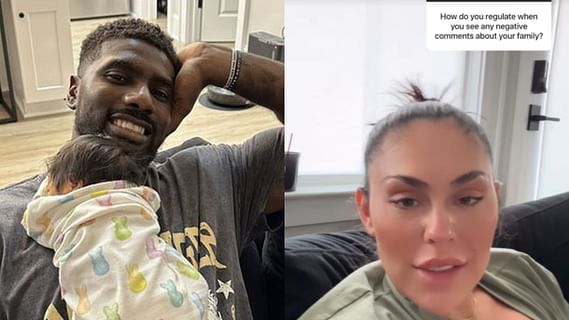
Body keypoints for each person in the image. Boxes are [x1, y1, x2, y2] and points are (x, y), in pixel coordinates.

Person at [0, 18, 283, 320]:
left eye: (161, 94)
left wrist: (214, 62)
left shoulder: (216, 175)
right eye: (118, 77)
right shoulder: (8, 225)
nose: (142, 98)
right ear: (73, 91)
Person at [300, 85, 569, 319]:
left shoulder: (522, 270)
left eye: (467, 199)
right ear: (367, 212)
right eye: (407, 202)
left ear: (495, 201)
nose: (439, 231)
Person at [22, 134, 216, 320]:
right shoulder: (134, 202)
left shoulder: (70, 211)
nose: (49, 192)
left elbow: (34, 218)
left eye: (52, 186)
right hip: (177, 308)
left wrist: (47, 188)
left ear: (73, 182)